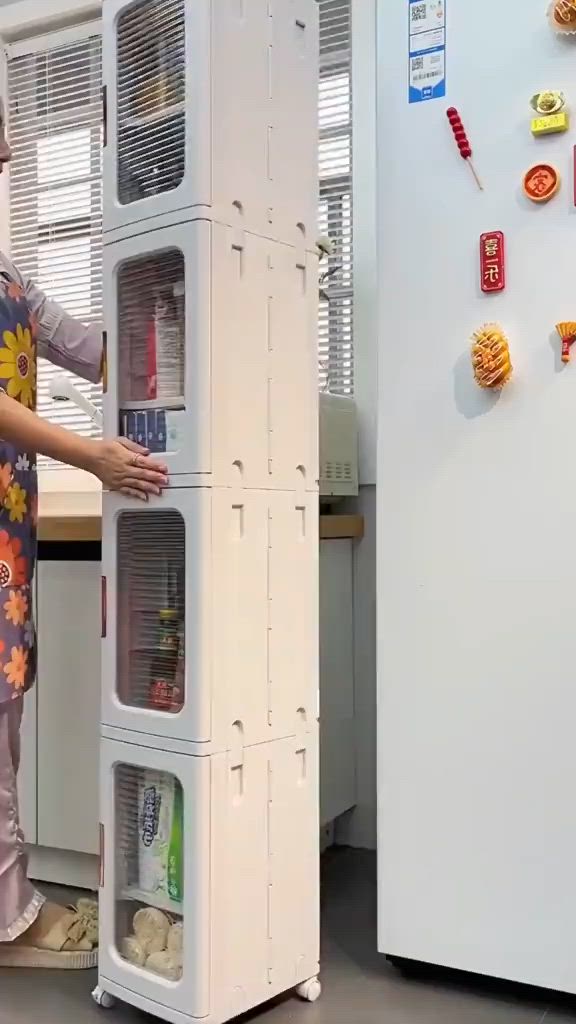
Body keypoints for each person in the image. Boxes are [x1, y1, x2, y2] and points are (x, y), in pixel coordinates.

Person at [0, 103, 168, 968]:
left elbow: (84, 346)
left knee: (6, 708)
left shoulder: (8, 276)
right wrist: (91, 456)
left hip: (7, 533)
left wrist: (169, 306)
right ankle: (11, 917)